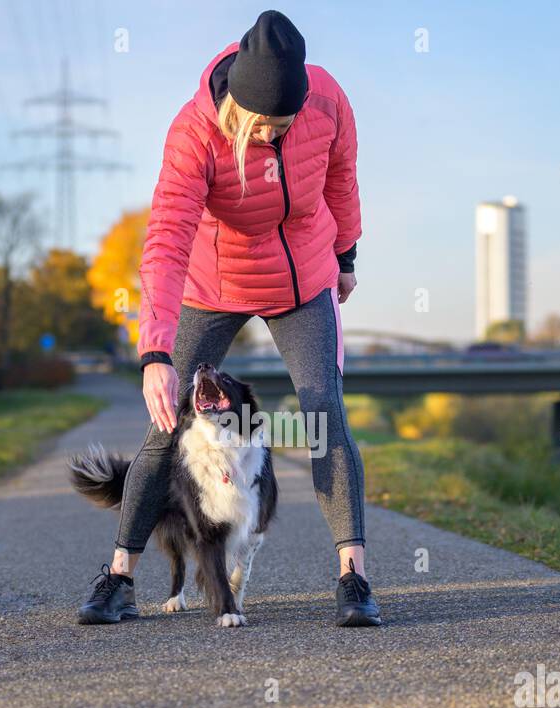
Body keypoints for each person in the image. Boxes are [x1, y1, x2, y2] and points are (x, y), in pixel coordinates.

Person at [78, 10, 380, 627]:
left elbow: (343, 178)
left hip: (303, 276)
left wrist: (345, 252)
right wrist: (156, 355)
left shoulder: (327, 100)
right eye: (263, 126)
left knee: (324, 413)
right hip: (214, 280)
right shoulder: (194, 132)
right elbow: (166, 239)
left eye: (284, 124)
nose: (273, 135)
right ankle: (118, 577)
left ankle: (354, 577)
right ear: (238, 108)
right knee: (168, 426)